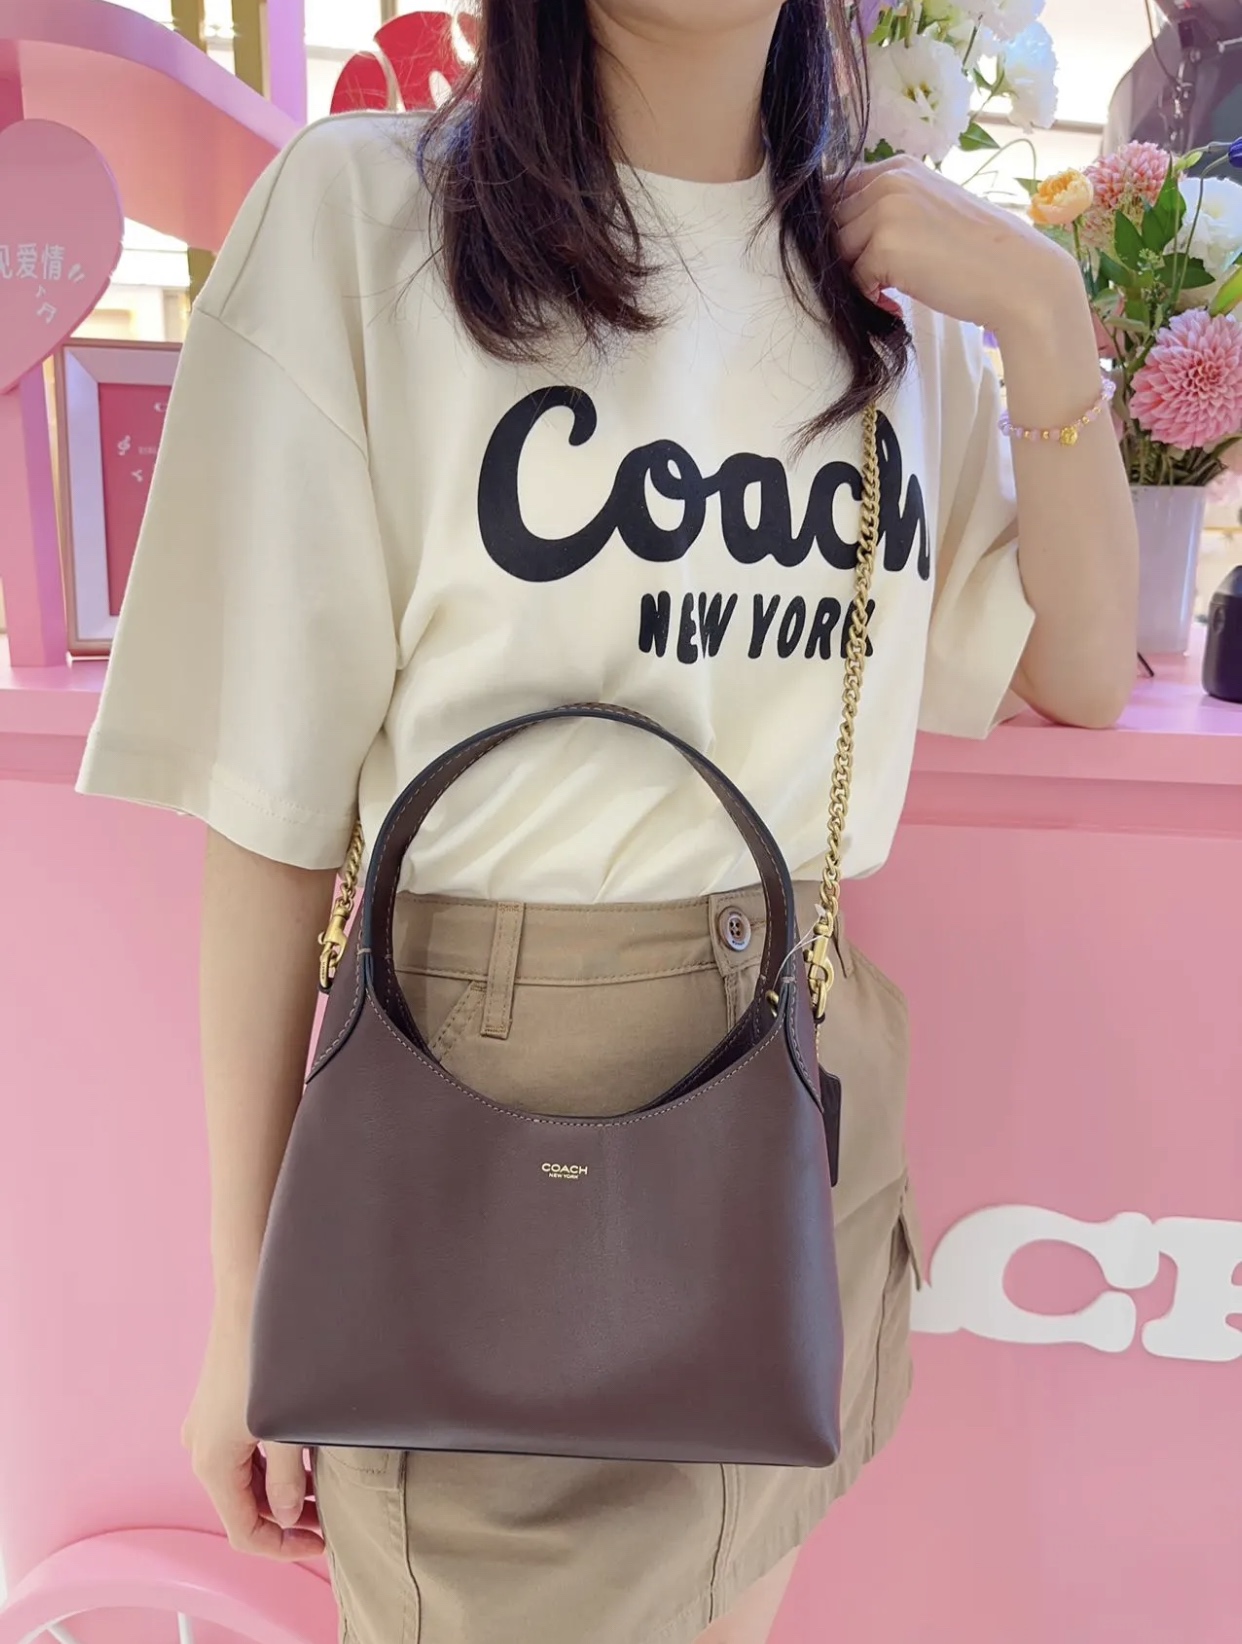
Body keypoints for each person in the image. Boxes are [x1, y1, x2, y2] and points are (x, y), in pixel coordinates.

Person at [75, 2, 1139, 1640]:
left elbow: (1075, 665)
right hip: (489, 1139)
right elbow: (271, 806)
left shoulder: (889, 288)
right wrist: (246, 1300)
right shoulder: (369, 215)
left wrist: (1046, 320)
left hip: (797, 1128)